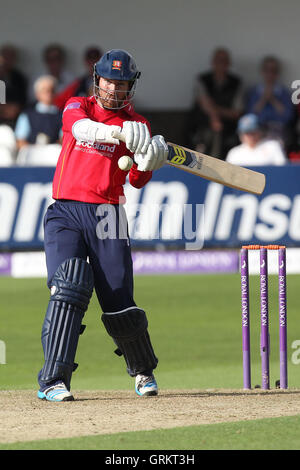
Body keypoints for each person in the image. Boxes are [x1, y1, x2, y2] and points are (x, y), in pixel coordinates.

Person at [37, 49, 168, 402]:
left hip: (109, 214)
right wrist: (121, 135)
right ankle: (53, 381)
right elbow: (79, 129)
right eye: (108, 80)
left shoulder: (140, 125)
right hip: (65, 212)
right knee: (69, 287)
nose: (113, 88)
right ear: (97, 80)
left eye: (121, 82)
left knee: (119, 301)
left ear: (130, 86)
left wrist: (151, 158)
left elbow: (138, 180)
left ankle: (142, 373)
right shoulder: (78, 106)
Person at [185, 47, 243, 159]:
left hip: (228, 127)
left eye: (224, 61)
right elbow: (203, 102)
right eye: (218, 61)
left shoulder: (237, 82)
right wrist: (214, 117)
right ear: (212, 62)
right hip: (202, 125)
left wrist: (215, 110)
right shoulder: (202, 79)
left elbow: (236, 112)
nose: (221, 64)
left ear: (229, 63)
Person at [245, 56, 296, 146]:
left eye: (273, 71)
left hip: (279, 130)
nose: (270, 74)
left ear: (277, 73)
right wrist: (263, 98)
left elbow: (288, 117)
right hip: (258, 130)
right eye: (266, 70)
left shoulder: (284, 93)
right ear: (262, 72)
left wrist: (272, 99)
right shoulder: (254, 92)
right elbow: (250, 116)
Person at [15, 75, 62, 165]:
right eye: (45, 91)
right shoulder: (27, 114)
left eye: (51, 90)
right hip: (31, 156)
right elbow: (20, 140)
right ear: (37, 94)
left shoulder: (62, 115)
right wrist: (35, 150)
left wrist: (50, 149)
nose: (49, 93)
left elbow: (63, 139)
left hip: (53, 157)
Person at [53, 46, 103, 110]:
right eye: (90, 60)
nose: (93, 63)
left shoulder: (108, 83)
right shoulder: (78, 84)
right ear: (86, 61)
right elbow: (59, 103)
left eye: (96, 59)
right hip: (83, 116)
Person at [0, 44, 28, 128]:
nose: (7, 60)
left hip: (14, 121)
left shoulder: (19, 77)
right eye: (5, 57)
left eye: (11, 57)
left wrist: (13, 108)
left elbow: (22, 100)